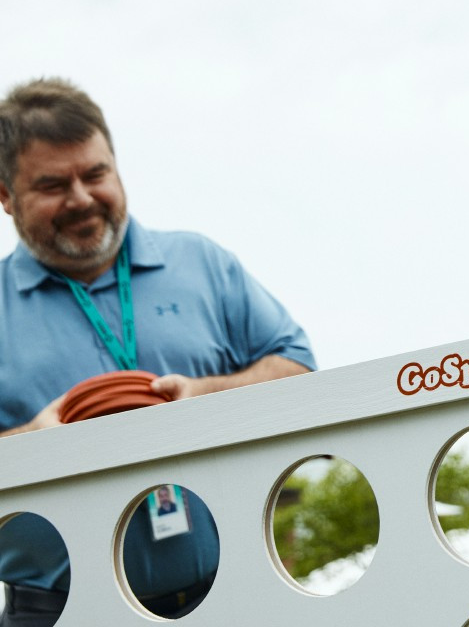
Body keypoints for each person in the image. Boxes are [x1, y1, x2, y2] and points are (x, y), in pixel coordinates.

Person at [0, 78, 316, 625]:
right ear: (4, 195)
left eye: (95, 174)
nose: (81, 198)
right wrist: (30, 447)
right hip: (57, 615)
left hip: (235, 598)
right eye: (53, 185)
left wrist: (205, 395)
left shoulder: (202, 263)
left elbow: (299, 370)